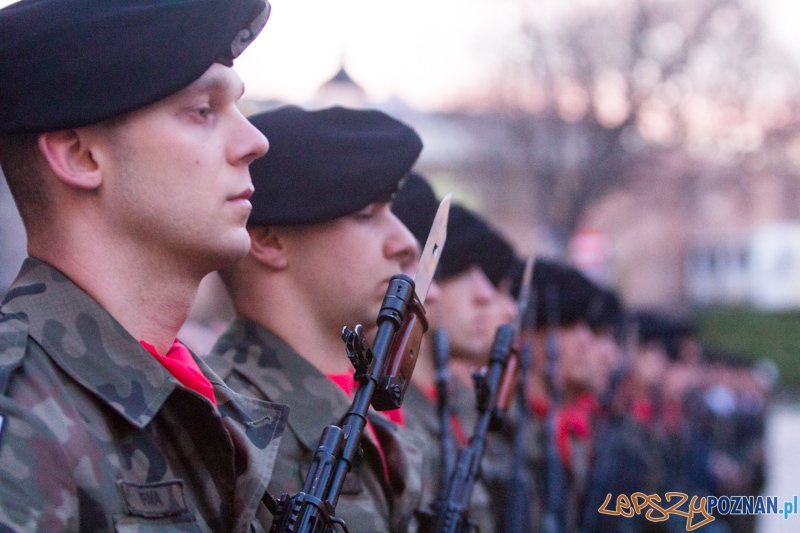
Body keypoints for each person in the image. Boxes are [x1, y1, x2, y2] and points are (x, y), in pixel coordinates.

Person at [0, 0, 288, 530]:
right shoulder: (18, 410)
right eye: (203, 110)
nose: (256, 141)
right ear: (81, 156)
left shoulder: (199, 402)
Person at [206, 105, 426, 532]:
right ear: (269, 241)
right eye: (366, 215)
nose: (405, 243)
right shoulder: (221, 428)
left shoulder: (374, 411)